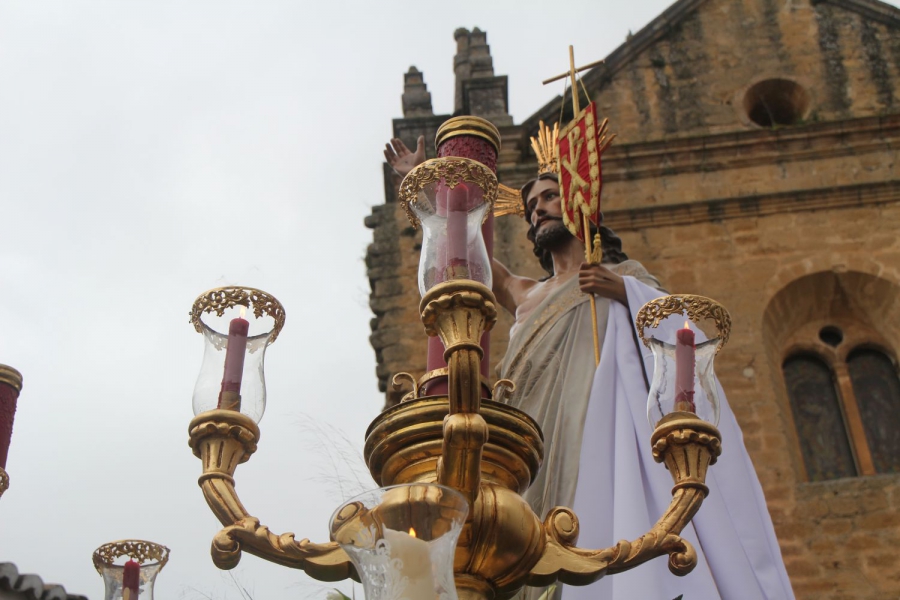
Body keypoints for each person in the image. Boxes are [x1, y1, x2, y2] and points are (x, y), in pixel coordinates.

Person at [384, 138, 794, 599]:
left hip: (595, 426)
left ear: (580, 202)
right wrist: (427, 192)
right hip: (532, 438)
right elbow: (463, 254)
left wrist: (620, 289)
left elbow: (673, 335)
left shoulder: (629, 276)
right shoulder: (528, 294)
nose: (538, 210)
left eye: (549, 197)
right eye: (531, 205)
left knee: (585, 521)